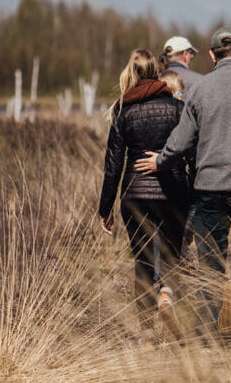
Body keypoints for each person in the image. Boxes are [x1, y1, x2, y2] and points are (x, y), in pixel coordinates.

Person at [135, 27, 231, 337]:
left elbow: (180, 140)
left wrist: (160, 161)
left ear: (212, 55)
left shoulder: (201, 89)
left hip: (208, 187)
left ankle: (210, 337)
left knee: (210, 264)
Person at [98, 49, 192, 342]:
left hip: (134, 195)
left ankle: (148, 332)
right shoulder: (178, 109)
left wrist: (106, 208)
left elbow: (113, 165)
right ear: (156, 71)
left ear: (133, 72)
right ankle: (167, 295)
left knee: (142, 259)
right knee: (172, 256)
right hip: (173, 192)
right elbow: (191, 151)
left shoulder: (123, 110)